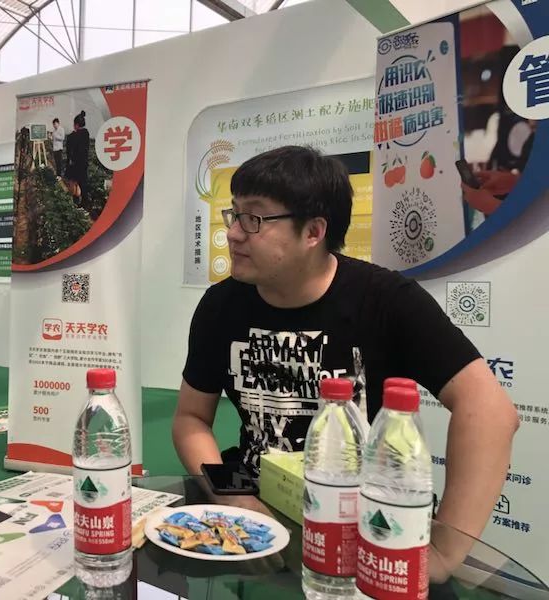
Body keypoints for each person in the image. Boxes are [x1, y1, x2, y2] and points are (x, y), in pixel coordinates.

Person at [174, 145, 518, 572]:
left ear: (313, 232)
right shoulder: (221, 306)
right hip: (259, 530)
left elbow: (490, 411)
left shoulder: (386, 300)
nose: (234, 233)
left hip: (363, 532)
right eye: (235, 214)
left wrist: (445, 553)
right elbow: (191, 418)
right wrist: (233, 496)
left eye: (255, 218)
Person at [65, 111, 90, 208]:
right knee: (83, 183)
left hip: (75, 163)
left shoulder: (72, 136)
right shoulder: (86, 134)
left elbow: (69, 151)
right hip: (84, 163)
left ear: (76, 124)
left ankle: (75, 202)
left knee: (73, 182)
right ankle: (85, 203)